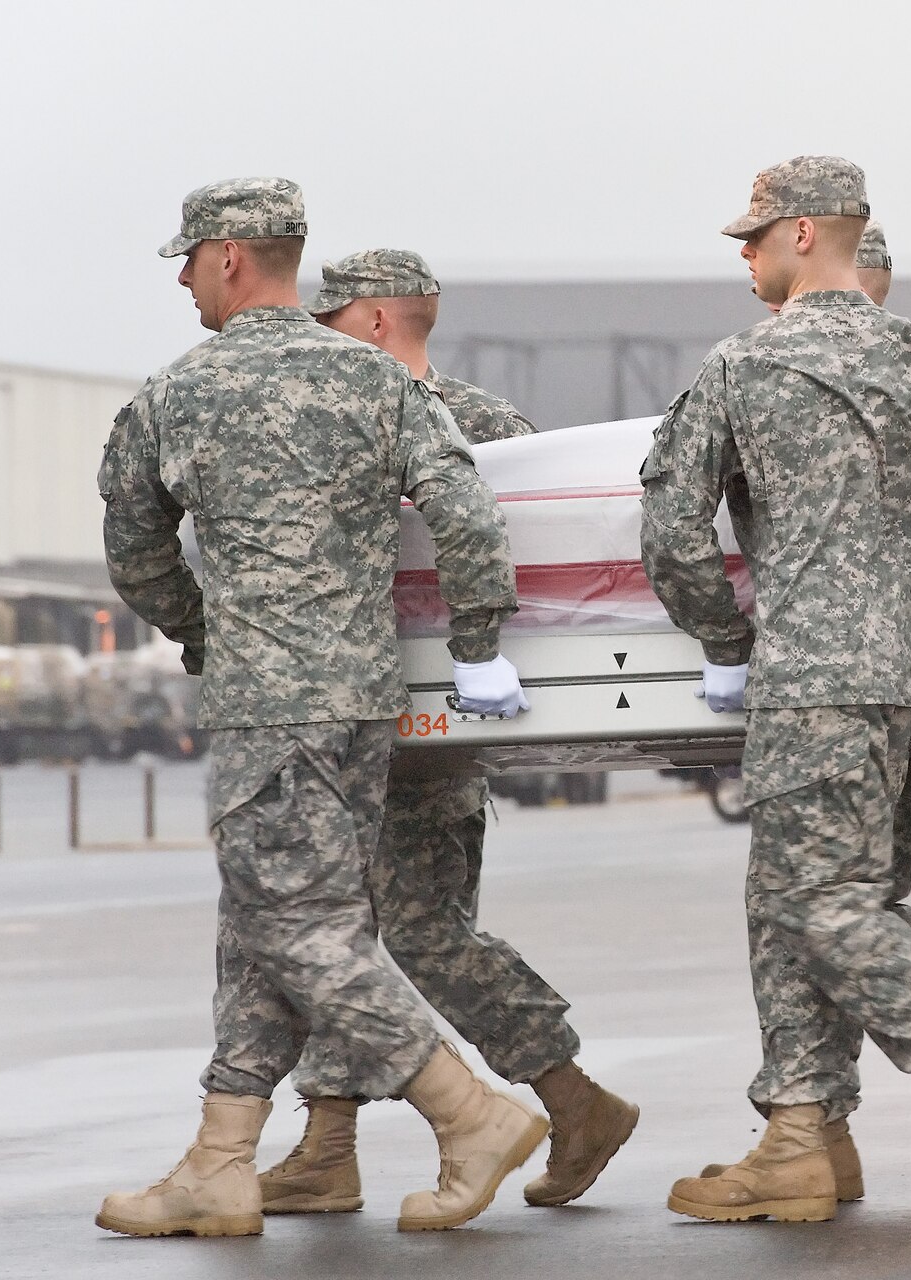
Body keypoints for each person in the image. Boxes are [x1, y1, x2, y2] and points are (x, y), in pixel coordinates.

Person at [97, 179, 543, 1237]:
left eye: (189, 258)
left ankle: (469, 1112)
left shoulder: (177, 393)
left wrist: (202, 629)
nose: (181, 278)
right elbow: (471, 517)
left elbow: (136, 550)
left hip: (267, 699)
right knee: (265, 922)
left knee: (295, 925)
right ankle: (219, 1159)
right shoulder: (378, 381)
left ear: (230, 260)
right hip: (362, 703)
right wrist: (476, 643)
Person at [642, 157, 911, 1222]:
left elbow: (669, 523)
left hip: (806, 673)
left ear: (801, 236)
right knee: (804, 896)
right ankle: (803, 1132)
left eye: (754, 235)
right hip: (902, 679)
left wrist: (722, 636)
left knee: (811, 898)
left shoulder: (745, 366)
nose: (744, 254)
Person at [244, 249, 636, 1218]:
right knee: (337, 929)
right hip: (363, 707)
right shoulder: (488, 425)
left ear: (374, 321)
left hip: (423, 721)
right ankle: (328, 1144)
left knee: (410, 928)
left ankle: (571, 1097)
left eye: (330, 322)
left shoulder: (459, 426)